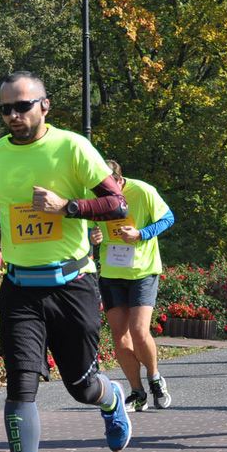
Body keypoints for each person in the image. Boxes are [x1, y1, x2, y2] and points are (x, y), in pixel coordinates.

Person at [0, 70, 131, 452]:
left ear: (45, 105)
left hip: (73, 285)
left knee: (81, 386)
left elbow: (117, 204)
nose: (13, 115)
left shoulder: (73, 148)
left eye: (22, 106)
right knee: (20, 384)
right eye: (5, 109)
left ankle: (111, 398)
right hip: (20, 287)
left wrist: (68, 207)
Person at [89, 160, 175, 409]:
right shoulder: (93, 194)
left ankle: (155, 377)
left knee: (139, 330)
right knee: (120, 336)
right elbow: (86, 227)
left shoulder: (143, 191)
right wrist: (91, 236)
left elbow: (168, 218)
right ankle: (137, 392)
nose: (104, 192)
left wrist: (141, 234)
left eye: (108, 186)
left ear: (119, 180)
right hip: (112, 272)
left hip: (142, 271)